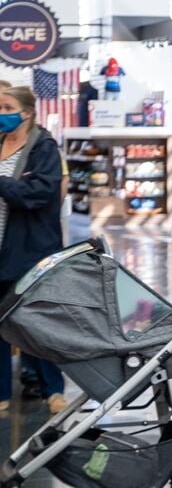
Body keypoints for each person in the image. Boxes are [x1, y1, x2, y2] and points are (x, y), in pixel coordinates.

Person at [0, 86, 68, 414]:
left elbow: (38, 192)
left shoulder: (43, 147)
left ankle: (53, 390)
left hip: (30, 251)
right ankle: (0, 393)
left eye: (6, 107)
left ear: (26, 112)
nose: (1, 113)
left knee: (34, 324)